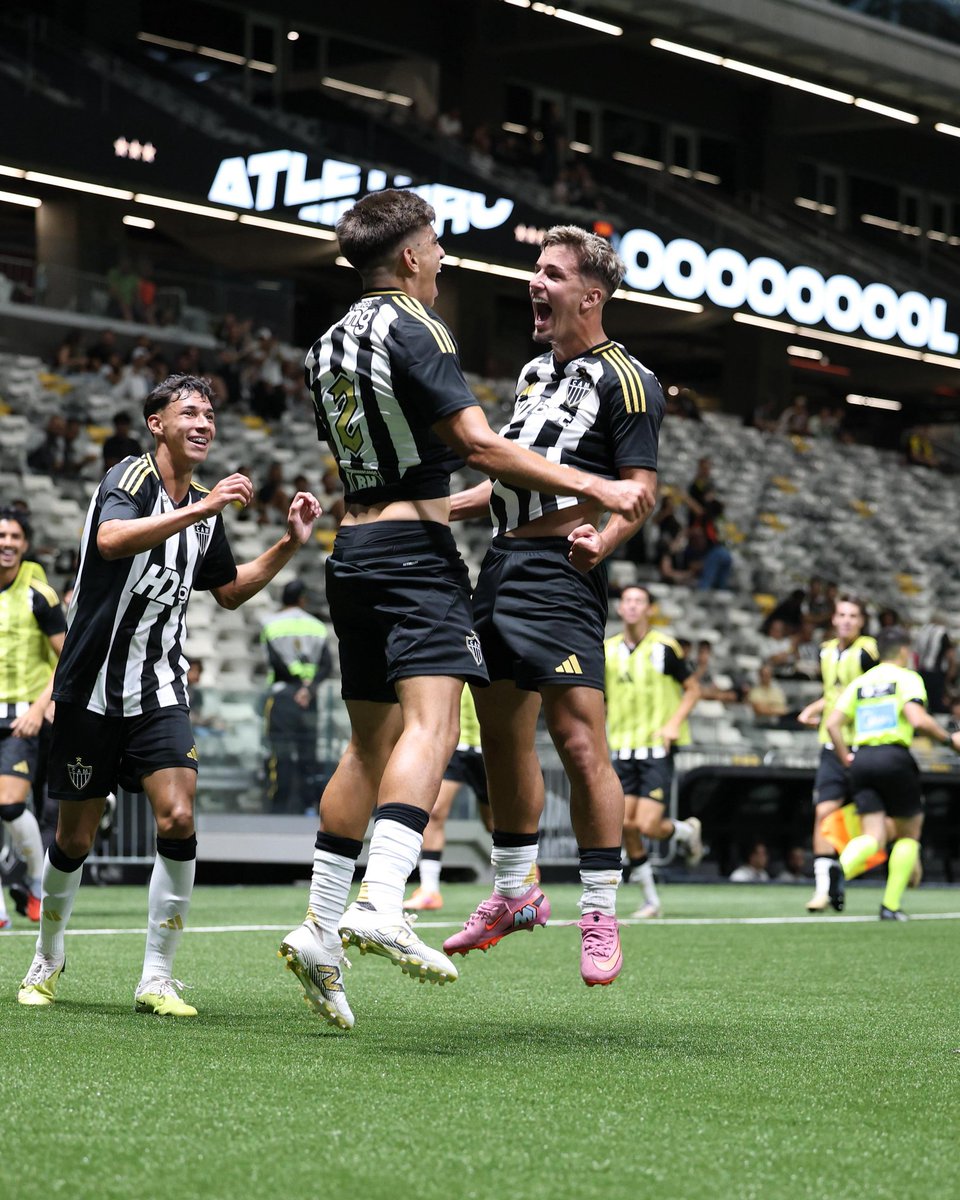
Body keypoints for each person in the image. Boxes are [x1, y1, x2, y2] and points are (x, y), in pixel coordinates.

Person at [279, 194, 650, 1030]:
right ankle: (382, 900)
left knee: (368, 744)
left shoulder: (325, 344)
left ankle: (319, 926)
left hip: (354, 548)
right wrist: (594, 485)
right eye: (437, 246)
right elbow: (479, 447)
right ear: (410, 258)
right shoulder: (420, 326)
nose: (444, 258)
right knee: (435, 729)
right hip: (414, 558)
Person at [17, 374, 321, 1016]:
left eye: (210, 412)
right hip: (90, 687)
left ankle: (156, 976)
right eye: (190, 412)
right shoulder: (129, 479)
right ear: (158, 423)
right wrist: (204, 509)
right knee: (75, 837)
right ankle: (47, 955)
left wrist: (289, 546)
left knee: (179, 818)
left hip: (158, 687)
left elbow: (231, 590)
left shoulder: (204, 513)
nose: (204, 422)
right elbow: (110, 541)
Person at [440, 225, 662, 986]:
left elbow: (641, 491)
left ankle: (599, 906)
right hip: (500, 564)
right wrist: (427, 513)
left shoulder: (628, 380)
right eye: (536, 271)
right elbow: (507, 478)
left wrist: (608, 538)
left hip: (562, 572)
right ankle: (513, 893)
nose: (536, 284)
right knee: (501, 734)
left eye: (551, 274)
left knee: (577, 739)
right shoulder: (535, 373)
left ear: (590, 296)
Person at [826, 626, 960, 919]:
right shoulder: (907, 678)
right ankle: (890, 905)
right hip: (894, 757)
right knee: (908, 833)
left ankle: (841, 868)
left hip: (862, 758)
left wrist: (845, 757)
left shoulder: (861, 682)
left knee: (873, 835)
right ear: (903, 652)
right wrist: (950, 740)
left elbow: (833, 723)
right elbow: (917, 718)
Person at [603, 586, 701, 919]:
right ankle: (651, 900)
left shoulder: (664, 648)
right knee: (625, 825)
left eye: (638, 601)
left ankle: (686, 831)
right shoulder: (608, 650)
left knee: (645, 824)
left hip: (656, 747)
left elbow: (692, 689)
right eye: (627, 601)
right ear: (620, 609)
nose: (631, 607)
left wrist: (673, 724)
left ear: (649, 609)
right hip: (622, 746)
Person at [0, 510, 67, 926]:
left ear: (25, 545)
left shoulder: (39, 594)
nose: (7, 542)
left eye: (15, 536)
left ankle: (38, 881)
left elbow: (68, 659)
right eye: (1, 535)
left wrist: (41, 708)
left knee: (9, 806)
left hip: (23, 718)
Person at [797, 595, 878, 913]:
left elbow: (873, 690)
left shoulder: (868, 652)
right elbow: (835, 693)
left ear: (861, 621)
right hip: (832, 747)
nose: (846, 620)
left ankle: (907, 865)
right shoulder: (827, 651)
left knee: (881, 822)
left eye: (853, 616)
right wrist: (813, 708)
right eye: (841, 614)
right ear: (833, 619)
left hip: (865, 746)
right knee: (823, 813)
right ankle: (822, 889)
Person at [404, 687, 492, 912]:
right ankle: (429, 890)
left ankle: (525, 873)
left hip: (488, 746)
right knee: (434, 812)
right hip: (455, 745)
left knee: (495, 823)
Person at [260, 579, 332, 813]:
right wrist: (308, 690)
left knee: (279, 753)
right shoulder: (317, 627)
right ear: (303, 599)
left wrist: (295, 684)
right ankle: (307, 807)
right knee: (307, 754)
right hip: (309, 700)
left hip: (282, 696)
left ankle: (278, 807)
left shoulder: (271, 624)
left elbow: (275, 661)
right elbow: (326, 665)